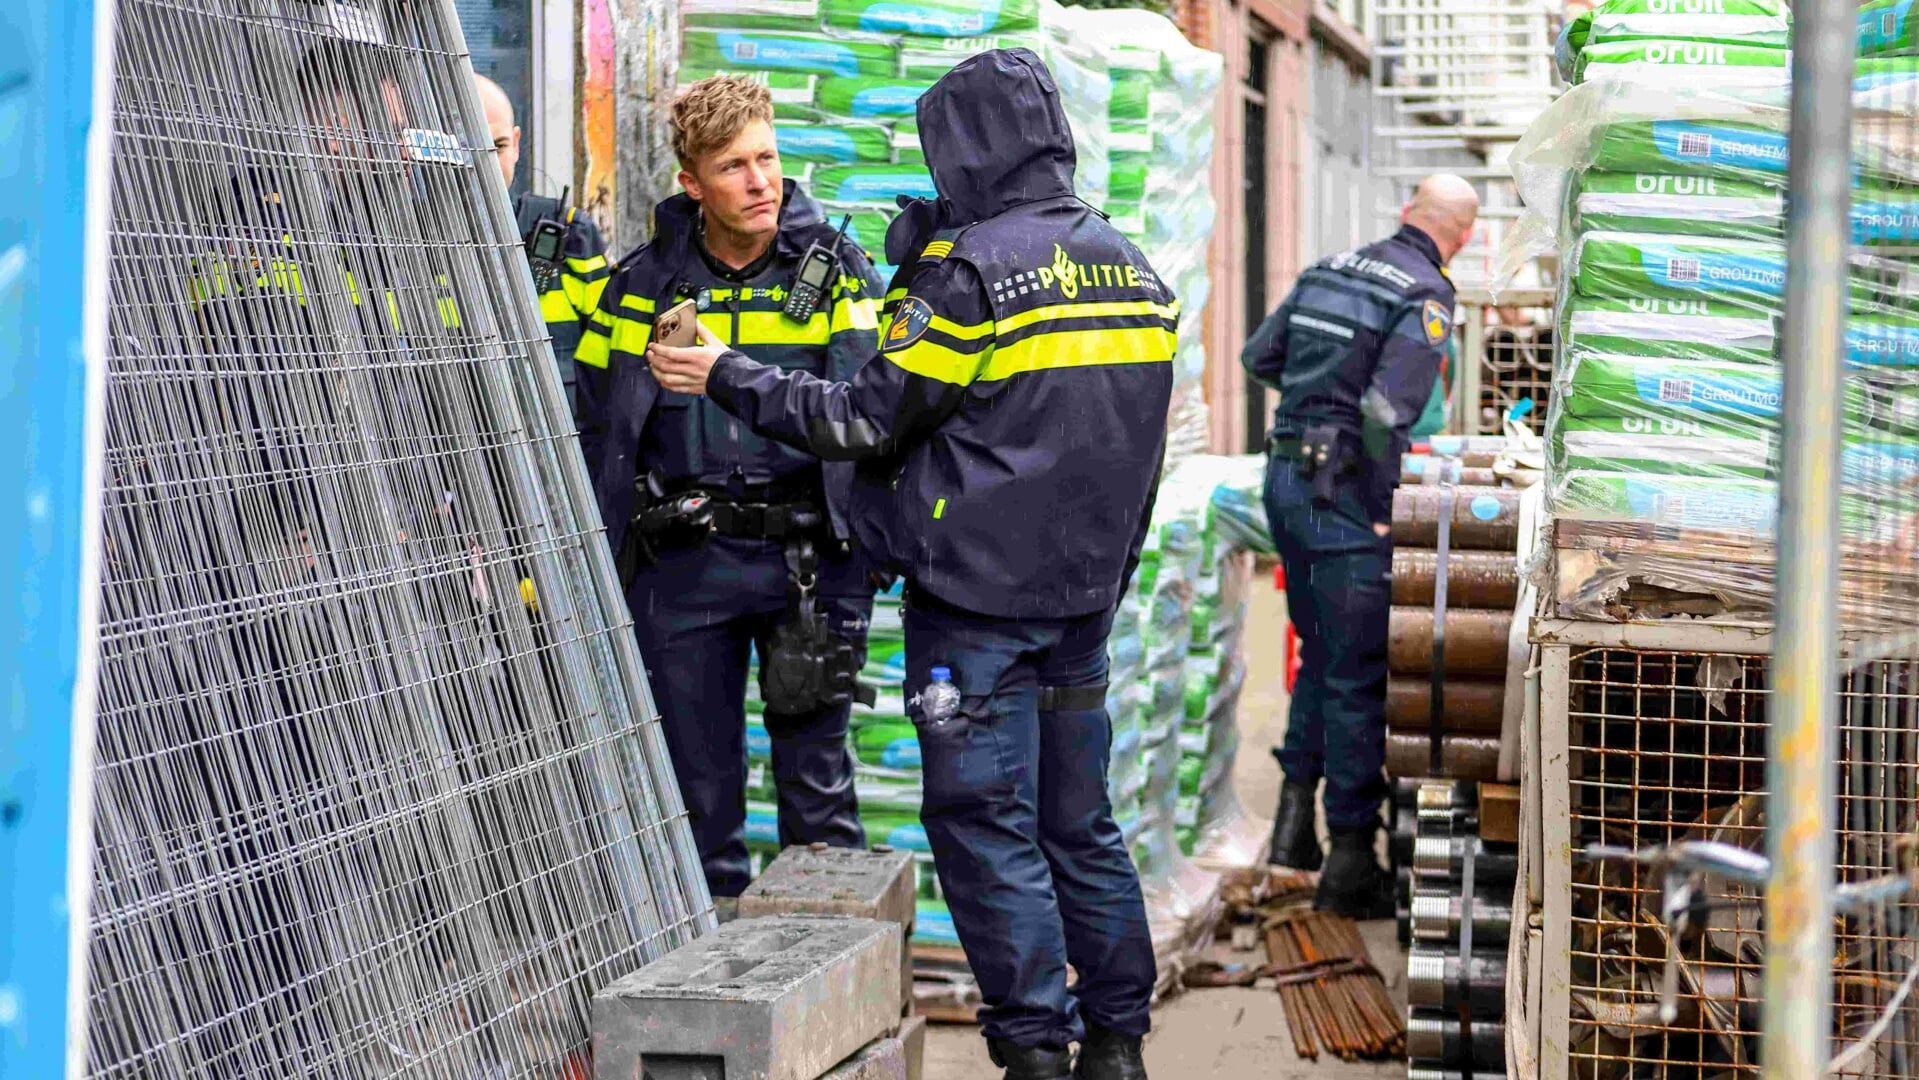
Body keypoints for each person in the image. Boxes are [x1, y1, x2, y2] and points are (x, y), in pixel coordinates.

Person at [646, 49, 1176, 1080]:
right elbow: (1128, 442)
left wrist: (723, 371)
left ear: (967, 145)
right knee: (1080, 824)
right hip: (1081, 607)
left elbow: (856, 418)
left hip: (973, 613)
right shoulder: (1129, 264)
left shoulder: (968, 275)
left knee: (985, 825)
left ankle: (1033, 1051)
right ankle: (1116, 1042)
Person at [574, 74, 882, 899]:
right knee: (694, 795)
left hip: (808, 564)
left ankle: (834, 1001)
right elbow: (599, 426)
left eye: (767, 157)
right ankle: (705, 997)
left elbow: (871, 417)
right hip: (685, 564)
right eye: (733, 166)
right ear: (691, 184)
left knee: (818, 799)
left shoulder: (839, 274)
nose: (759, 182)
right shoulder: (640, 286)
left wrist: (871, 549)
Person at [1242, 174, 1479, 918]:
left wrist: (1316, 404)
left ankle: (1291, 833)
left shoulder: (1329, 269)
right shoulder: (1423, 294)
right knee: (1354, 674)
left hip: (1285, 484)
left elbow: (1258, 358)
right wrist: (1382, 508)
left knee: (1319, 653)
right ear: (1462, 236)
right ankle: (1350, 861)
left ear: (1406, 209)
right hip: (1344, 500)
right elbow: (1384, 411)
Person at [474, 74, 611, 415]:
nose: (487, 164)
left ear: (517, 144)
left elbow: (616, 360)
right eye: (471, 149)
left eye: (499, 146)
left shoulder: (571, 234)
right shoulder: (402, 245)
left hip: (561, 453)